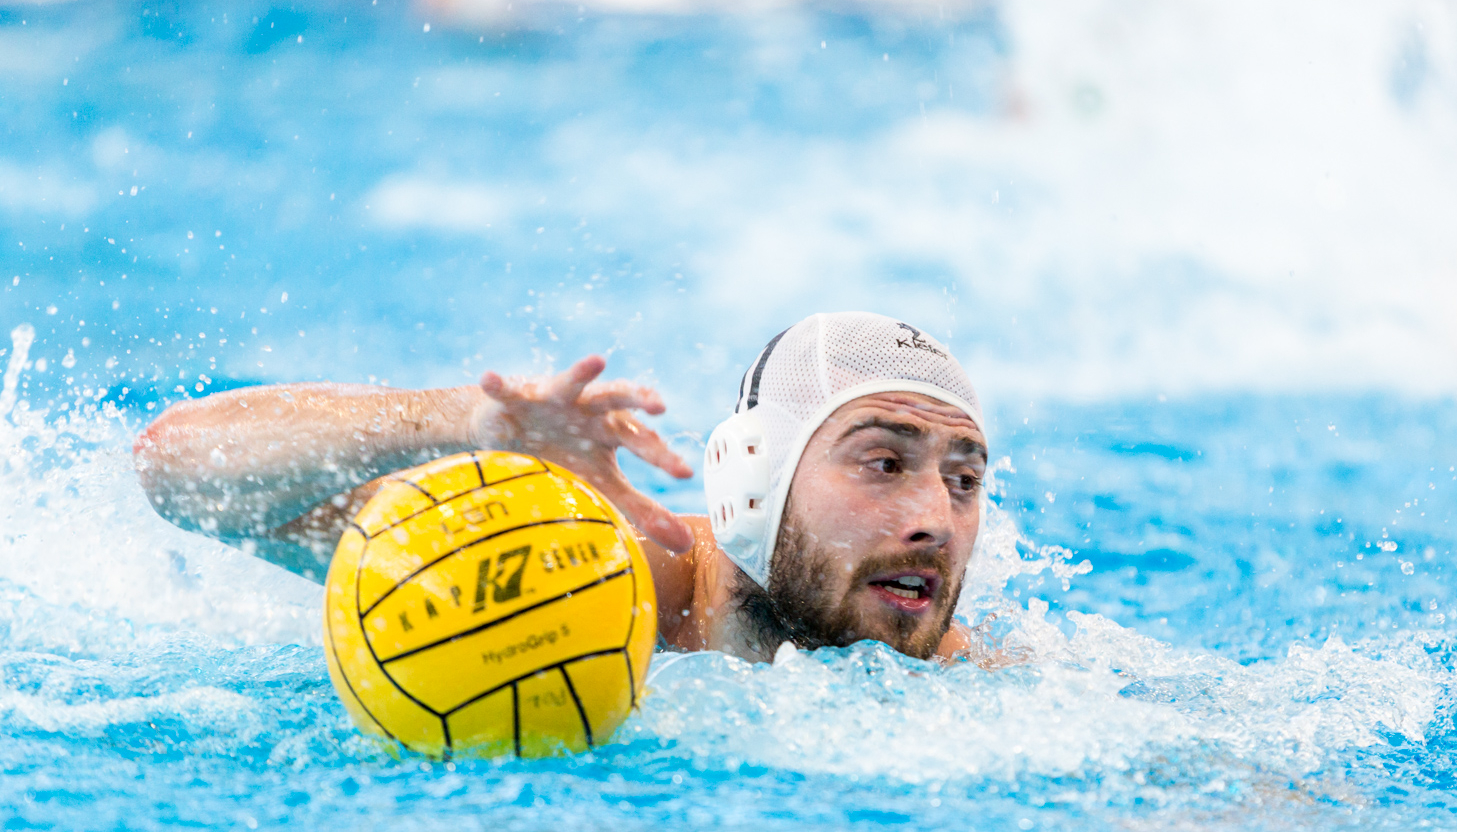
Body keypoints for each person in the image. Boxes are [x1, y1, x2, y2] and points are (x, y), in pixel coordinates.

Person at [133, 311, 988, 663]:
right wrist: (462, 420)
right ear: (753, 479)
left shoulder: (956, 678)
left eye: (962, 479)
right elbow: (177, 469)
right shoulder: (560, 565)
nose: (934, 521)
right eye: (883, 462)